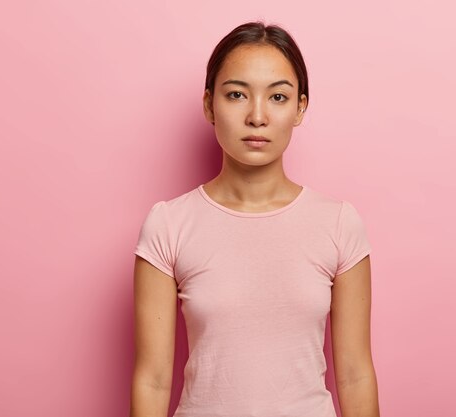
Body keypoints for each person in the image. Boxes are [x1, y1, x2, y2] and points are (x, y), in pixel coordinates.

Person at [130, 21, 380, 417]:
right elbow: (153, 379)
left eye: (278, 97)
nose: (257, 116)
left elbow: (355, 375)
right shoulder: (169, 225)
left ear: (300, 107)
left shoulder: (338, 224)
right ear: (210, 105)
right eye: (236, 95)